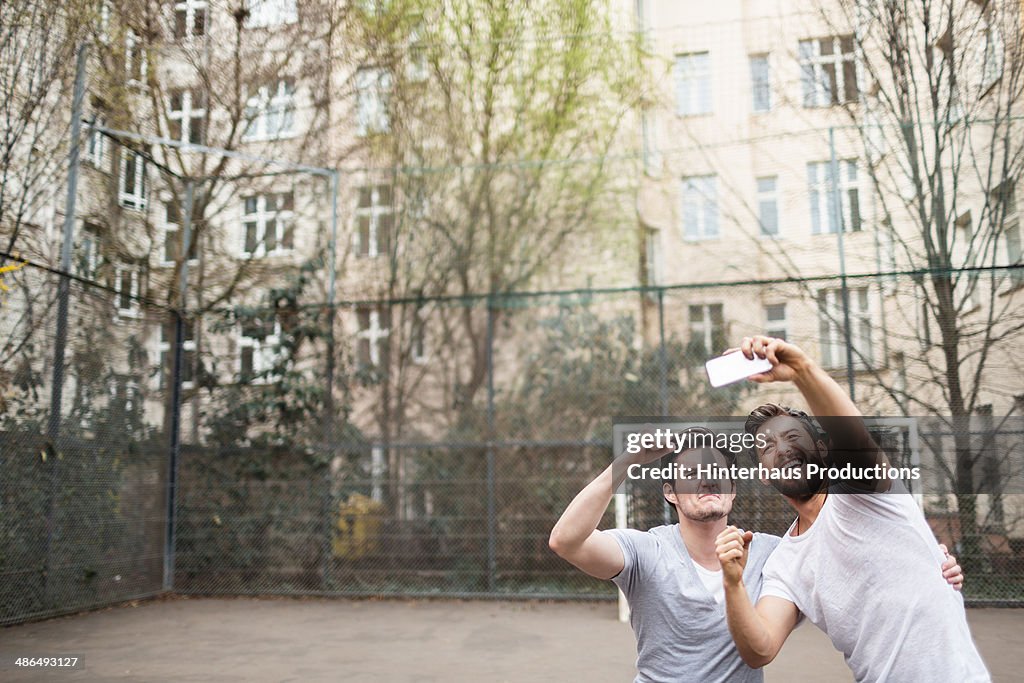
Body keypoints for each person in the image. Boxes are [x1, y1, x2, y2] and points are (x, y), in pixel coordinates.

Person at [549, 427, 963, 682]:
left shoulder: (774, 554)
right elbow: (566, 541)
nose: (706, 478)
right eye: (691, 474)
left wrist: (929, 563)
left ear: (732, 489)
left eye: (717, 473)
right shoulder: (646, 549)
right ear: (670, 493)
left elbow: (859, 565)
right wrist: (626, 461)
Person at [716, 335, 989, 682]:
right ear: (764, 476)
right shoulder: (785, 563)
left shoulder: (865, 492)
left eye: (792, 437)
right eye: (767, 446)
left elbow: (854, 437)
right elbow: (760, 649)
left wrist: (802, 370)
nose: (781, 449)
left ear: (823, 449)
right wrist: (733, 583)